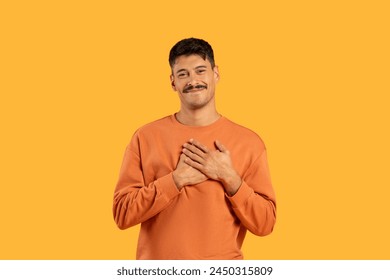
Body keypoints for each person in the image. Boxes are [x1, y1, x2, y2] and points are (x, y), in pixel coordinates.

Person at [113, 38, 276, 260]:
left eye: (200, 71)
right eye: (183, 74)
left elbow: (265, 224)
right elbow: (122, 214)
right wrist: (175, 180)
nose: (193, 80)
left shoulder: (249, 142)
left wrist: (229, 177)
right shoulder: (145, 137)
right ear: (173, 82)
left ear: (216, 74)